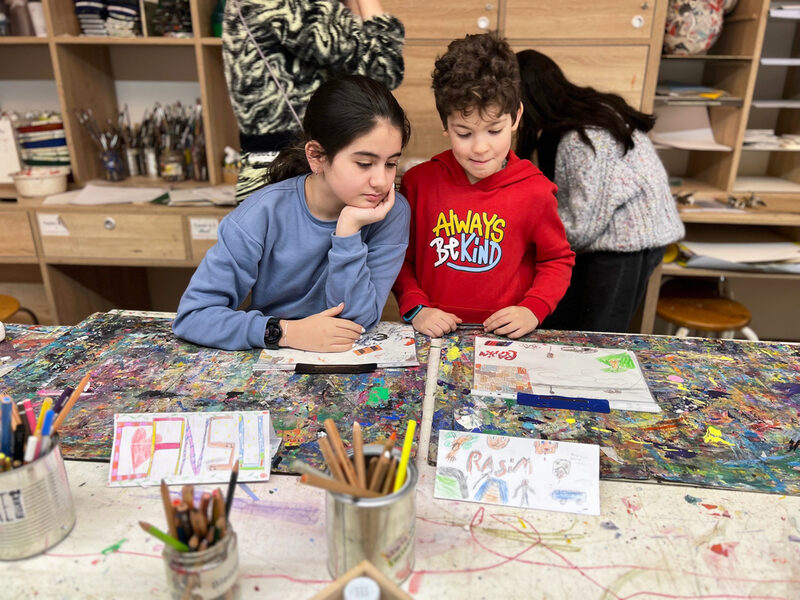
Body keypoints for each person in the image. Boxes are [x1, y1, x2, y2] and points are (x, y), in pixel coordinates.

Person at [173, 75, 411, 351]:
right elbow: (194, 316)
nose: (382, 181)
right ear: (317, 156)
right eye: (364, 163)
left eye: (391, 163)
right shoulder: (262, 213)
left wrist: (347, 232)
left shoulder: (390, 212)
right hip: (269, 360)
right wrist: (286, 332)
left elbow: (357, 320)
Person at [392, 33, 575, 339]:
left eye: (494, 130)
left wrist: (533, 308)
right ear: (445, 124)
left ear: (516, 116)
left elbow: (556, 259)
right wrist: (416, 307)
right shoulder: (419, 183)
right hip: (432, 335)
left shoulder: (535, 190)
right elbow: (398, 256)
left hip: (504, 339)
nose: (480, 148)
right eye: (464, 133)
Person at [515, 49, 685, 333]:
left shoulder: (583, 137)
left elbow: (582, 226)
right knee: (572, 321)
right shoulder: (579, 117)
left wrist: (527, 235)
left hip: (627, 243)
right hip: (617, 237)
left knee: (599, 333)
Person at [223, 0, 405, 204]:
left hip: (276, 171)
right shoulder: (295, 6)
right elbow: (384, 67)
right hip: (292, 177)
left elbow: (363, 79)